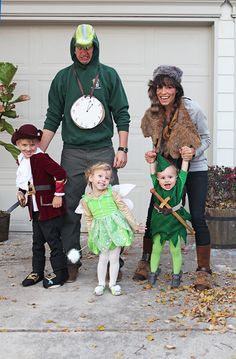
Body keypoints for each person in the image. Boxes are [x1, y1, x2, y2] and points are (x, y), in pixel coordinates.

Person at [39, 24, 131, 282]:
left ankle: (116, 260)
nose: (84, 52)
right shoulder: (62, 78)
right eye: (79, 47)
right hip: (73, 152)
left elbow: (122, 113)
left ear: (95, 47)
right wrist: (37, 155)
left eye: (88, 47)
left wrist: (122, 148)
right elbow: (52, 118)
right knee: (69, 208)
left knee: (111, 206)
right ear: (73, 48)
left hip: (103, 148)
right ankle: (72, 261)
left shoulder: (109, 75)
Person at [133, 65, 212, 291]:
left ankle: (203, 270)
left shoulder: (192, 109)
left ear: (176, 89)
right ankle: (146, 261)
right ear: (154, 90)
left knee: (196, 216)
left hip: (194, 168)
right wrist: (153, 155)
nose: (163, 91)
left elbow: (206, 138)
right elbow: (158, 143)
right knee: (154, 213)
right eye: (159, 87)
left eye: (168, 86)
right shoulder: (155, 112)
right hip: (168, 170)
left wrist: (193, 152)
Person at [11, 124, 68, 289]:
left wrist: (58, 195)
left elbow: (61, 174)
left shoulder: (41, 158)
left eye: (32, 144)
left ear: (37, 143)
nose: (28, 148)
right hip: (34, 208)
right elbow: (28, 181)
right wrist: (21, 193)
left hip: (48, 207)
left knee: (53, 241)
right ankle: (37, 271)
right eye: (24, 145)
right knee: (37, 243)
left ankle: (60, 272)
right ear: (18, 145)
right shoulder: (22, 160)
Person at [79, 162, 145, 296]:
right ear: (91, 177)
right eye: (100, 176)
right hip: (101, 231)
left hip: (116, 229)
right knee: (103, 257)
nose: (103, 180)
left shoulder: (112, 194)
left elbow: (124, 209)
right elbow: (89, 218)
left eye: (107, 178)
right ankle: (101, 283)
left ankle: (113, 284)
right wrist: (91, 234)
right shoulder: (86, 200)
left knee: (114, 257)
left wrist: (135, 224)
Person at [145, 152, 191, 288]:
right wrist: (152, 162)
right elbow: (152, 174)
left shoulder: (178, 186)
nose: (167, 180)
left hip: (174, 224)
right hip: (159, 222)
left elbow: (184, 172)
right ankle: (152, 274)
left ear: (176, 178)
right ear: (158, 179)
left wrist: (186, 160)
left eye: (170, 177)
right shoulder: (157, 187)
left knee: (175, 250)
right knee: (156, 249)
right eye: (163, 177)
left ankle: (176, 276)